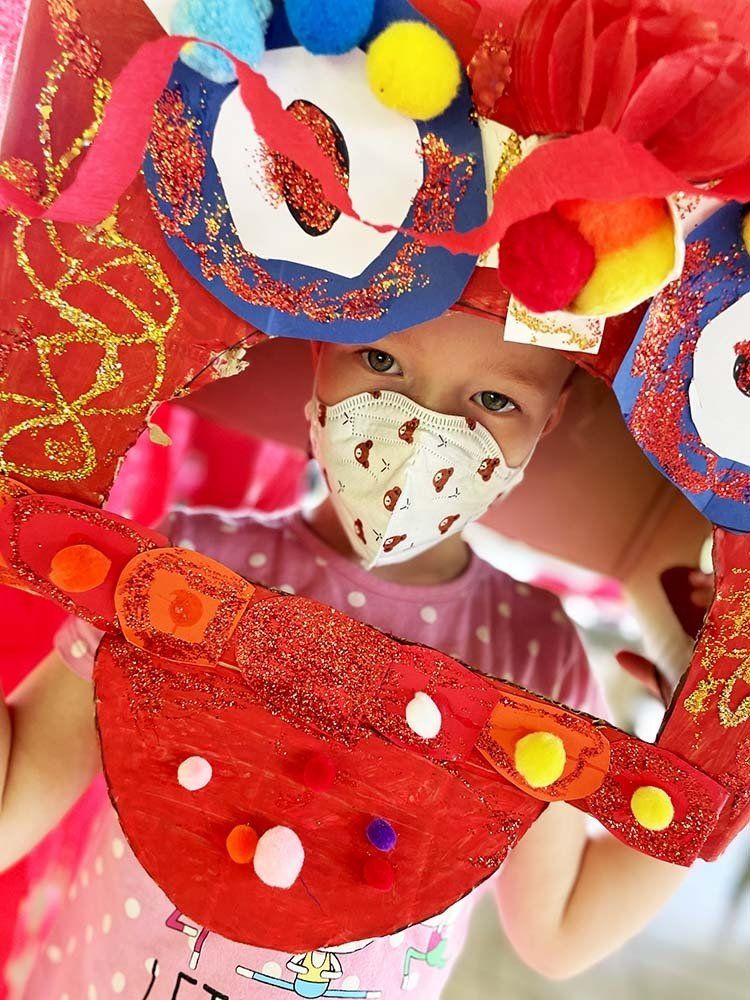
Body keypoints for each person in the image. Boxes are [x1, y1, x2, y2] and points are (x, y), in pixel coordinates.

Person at [0, 309, 687, 999]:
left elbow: (560, 928)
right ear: (321, 352)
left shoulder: (536, 658)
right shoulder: (185, 572)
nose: (419, 432)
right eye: (382, 362)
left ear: (549, 419)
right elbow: (17, 790)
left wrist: (714, 758)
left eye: (494, 400)